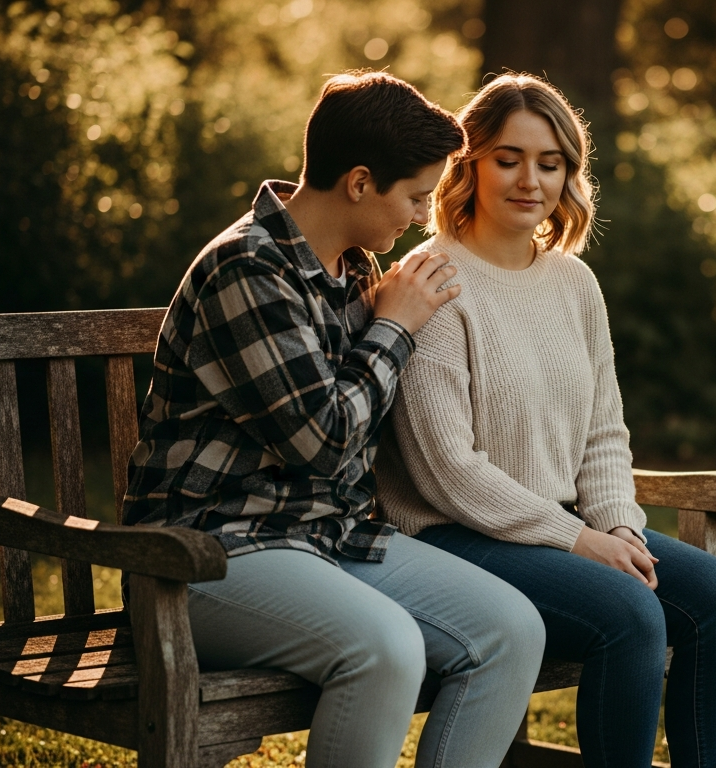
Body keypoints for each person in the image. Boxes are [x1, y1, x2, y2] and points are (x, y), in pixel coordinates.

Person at [122, 71, 545, 768]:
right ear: (357, 183)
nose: (419, 216)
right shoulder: (247, 269)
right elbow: (324, 441)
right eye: (413, 196)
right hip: (204, 557)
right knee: (384, 647)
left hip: (330, 537)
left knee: (512, 630)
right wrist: (396, 328)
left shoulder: (352, 269)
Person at [374, 73, 716, 768]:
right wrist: (580, 540)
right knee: (630, 614)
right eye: (508, 159)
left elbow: (604, 433)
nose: (531, 181)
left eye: (550, 164)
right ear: (470, 165)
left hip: (565, 528)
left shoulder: (575, 283)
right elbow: (448, 471)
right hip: (456, 537)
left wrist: (615, 526)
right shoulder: (433, 281)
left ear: (569, 175)